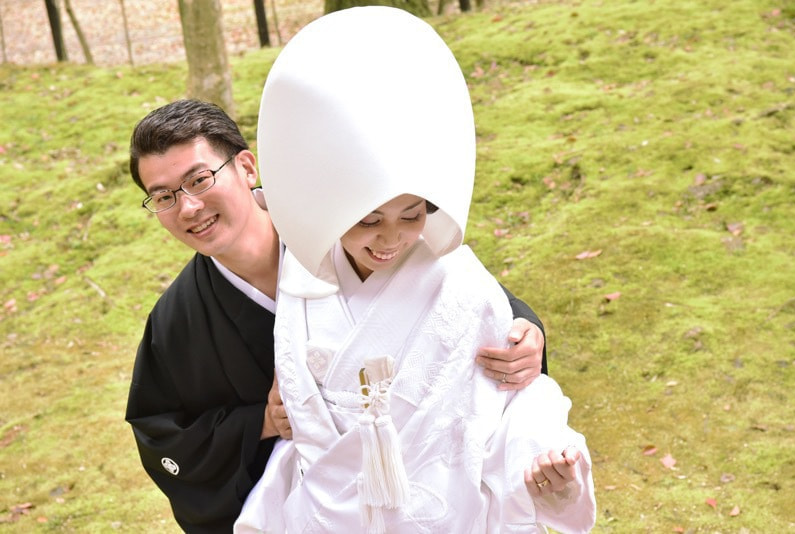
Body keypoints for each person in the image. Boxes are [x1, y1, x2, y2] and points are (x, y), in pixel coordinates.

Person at [235, 6, 595, 534]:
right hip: (331, 509)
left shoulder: (464, 288)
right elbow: (300, 406)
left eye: (411, 216)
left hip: (440, 504)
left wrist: (546, 461)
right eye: (368, 221)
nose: (390, 239)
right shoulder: (303, 280)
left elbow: (512, 403)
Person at [124, 95, 548, 532]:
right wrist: (262, 423)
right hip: (315, 509)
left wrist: (525, 330)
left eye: (199, 180)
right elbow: (164, 435)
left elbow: (452, 290)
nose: (188, 207)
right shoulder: (176, 321)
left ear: (247, 167)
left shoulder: (346, 229)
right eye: (163, 197)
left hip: (430, 492)